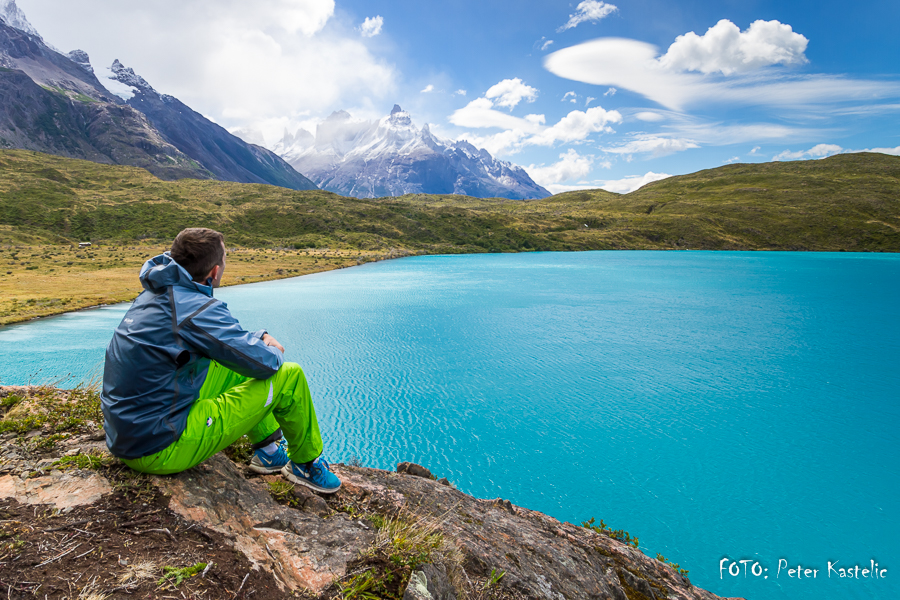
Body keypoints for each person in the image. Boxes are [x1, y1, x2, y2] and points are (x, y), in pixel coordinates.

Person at [100, 227, 340, 494]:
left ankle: (268, 451)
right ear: (214, 271)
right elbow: (265, 364)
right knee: (290, 376)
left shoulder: (156, 293)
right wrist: (274, 349)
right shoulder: (196, 308)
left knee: (221, 361)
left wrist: (258, 336)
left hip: (127, 436)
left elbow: (222, 342)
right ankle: (306, 465)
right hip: (161, 447)